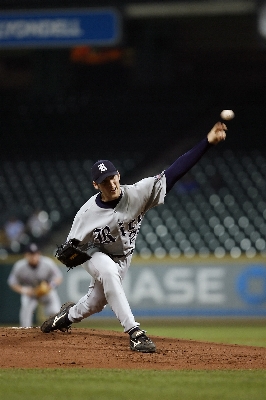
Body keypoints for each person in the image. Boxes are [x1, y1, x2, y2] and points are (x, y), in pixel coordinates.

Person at [40, 122, 227, 353]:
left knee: (95, 303)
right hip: (97, 255)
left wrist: (207, 143)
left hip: (124, 257)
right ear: (95, 185)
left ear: (118, 175)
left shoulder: (139, 193)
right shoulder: (86, 214)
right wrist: (75, 256)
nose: (111, 183)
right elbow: (69, 250)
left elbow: (176, 171)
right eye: (104, 181)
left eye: (112, 177)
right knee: (107, 271)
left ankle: (65, 317)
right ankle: (135, 333)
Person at [7, 243, 63, 327]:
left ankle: (56, 330)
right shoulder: (19, 266)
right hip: (31, 291)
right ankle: (25, 333)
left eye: (35, 254)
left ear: (39, 254)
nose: (33, 256)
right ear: (26, 255)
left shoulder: (48, 263)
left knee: (55, 312)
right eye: (30, 254)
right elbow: (12, 282)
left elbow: (58, 277)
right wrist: (24, 290)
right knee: (25, 313)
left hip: (46, 291)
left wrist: (51, 285)